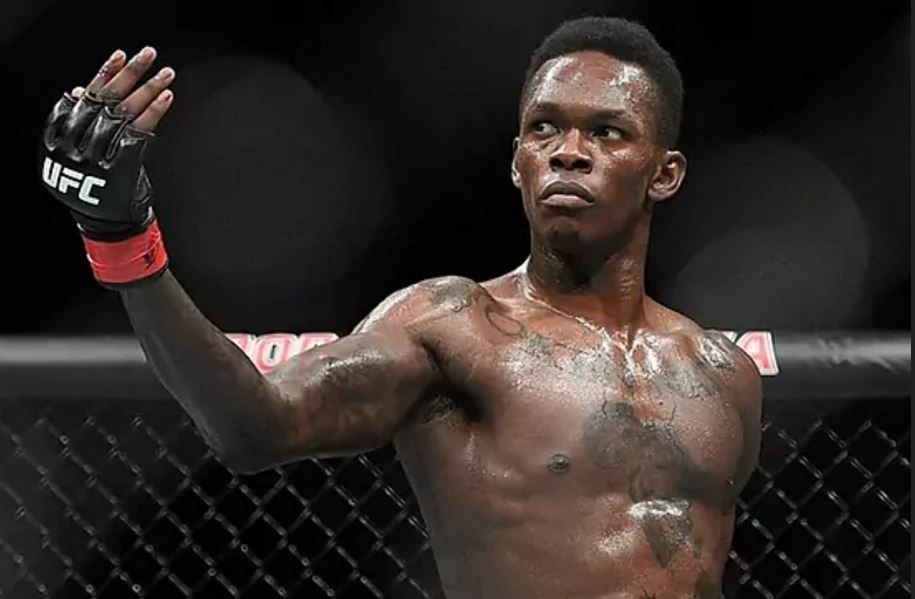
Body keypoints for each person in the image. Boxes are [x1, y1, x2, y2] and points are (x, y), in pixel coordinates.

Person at [38, 16, 762, 599]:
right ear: (516, 161)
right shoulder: (457, 327)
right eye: (544, 128)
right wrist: (124, 241)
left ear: (664, 174)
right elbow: (254, 424)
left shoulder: (722, 373)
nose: (568, 152)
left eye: (605, 132)